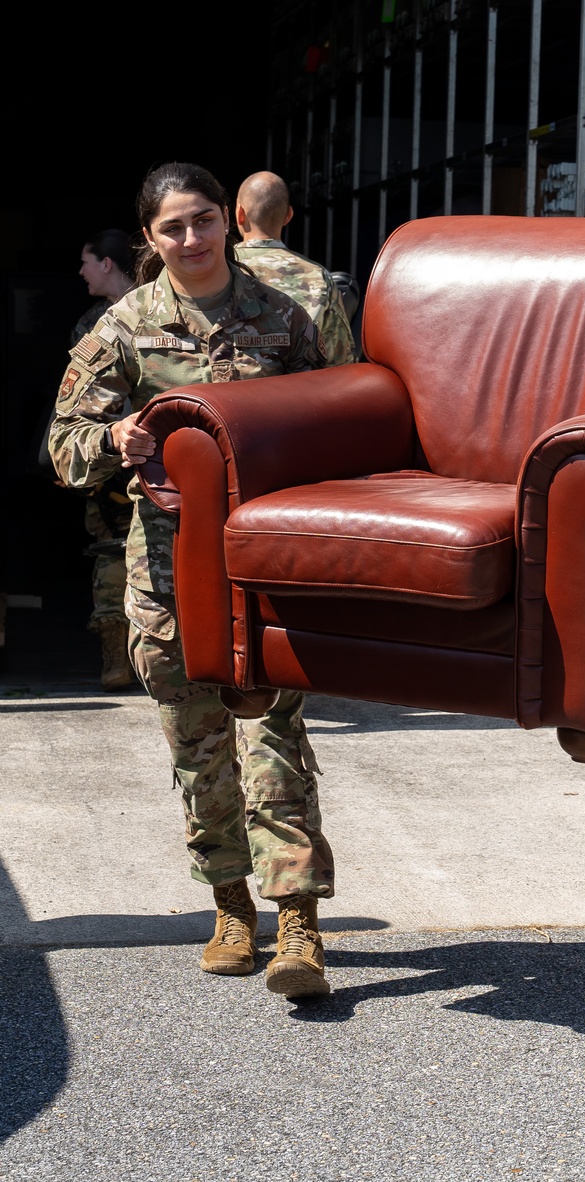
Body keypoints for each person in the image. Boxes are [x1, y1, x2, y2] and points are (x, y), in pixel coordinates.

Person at [49, 162, 357, 1000]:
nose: (192, 239)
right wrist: (114, 439)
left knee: (276, 743)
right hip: (169, 574)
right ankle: (230, 907)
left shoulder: (285, 314)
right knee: (199, 750)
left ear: (229, 221)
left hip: (264, 568)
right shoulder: (125, 326)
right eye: (173, 228)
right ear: (149, 240)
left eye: (204, 220)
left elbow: (347, 410)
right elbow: (62, 445)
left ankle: (297, 919)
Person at [71, 229, 136, 691]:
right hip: (114, 460)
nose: (81, 272)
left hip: (150, 460)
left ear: (108, 263)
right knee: (115, 553)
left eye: (87, 261)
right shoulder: (93, 323)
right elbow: (74, 404)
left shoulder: (161, 312)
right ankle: (118, 657)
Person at [233, 170, 358, 360]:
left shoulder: (218, 269)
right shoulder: (319, 277)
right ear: (288, 216)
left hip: (229, 386)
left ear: (239, 214)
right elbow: (339, 361)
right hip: (299, 387)